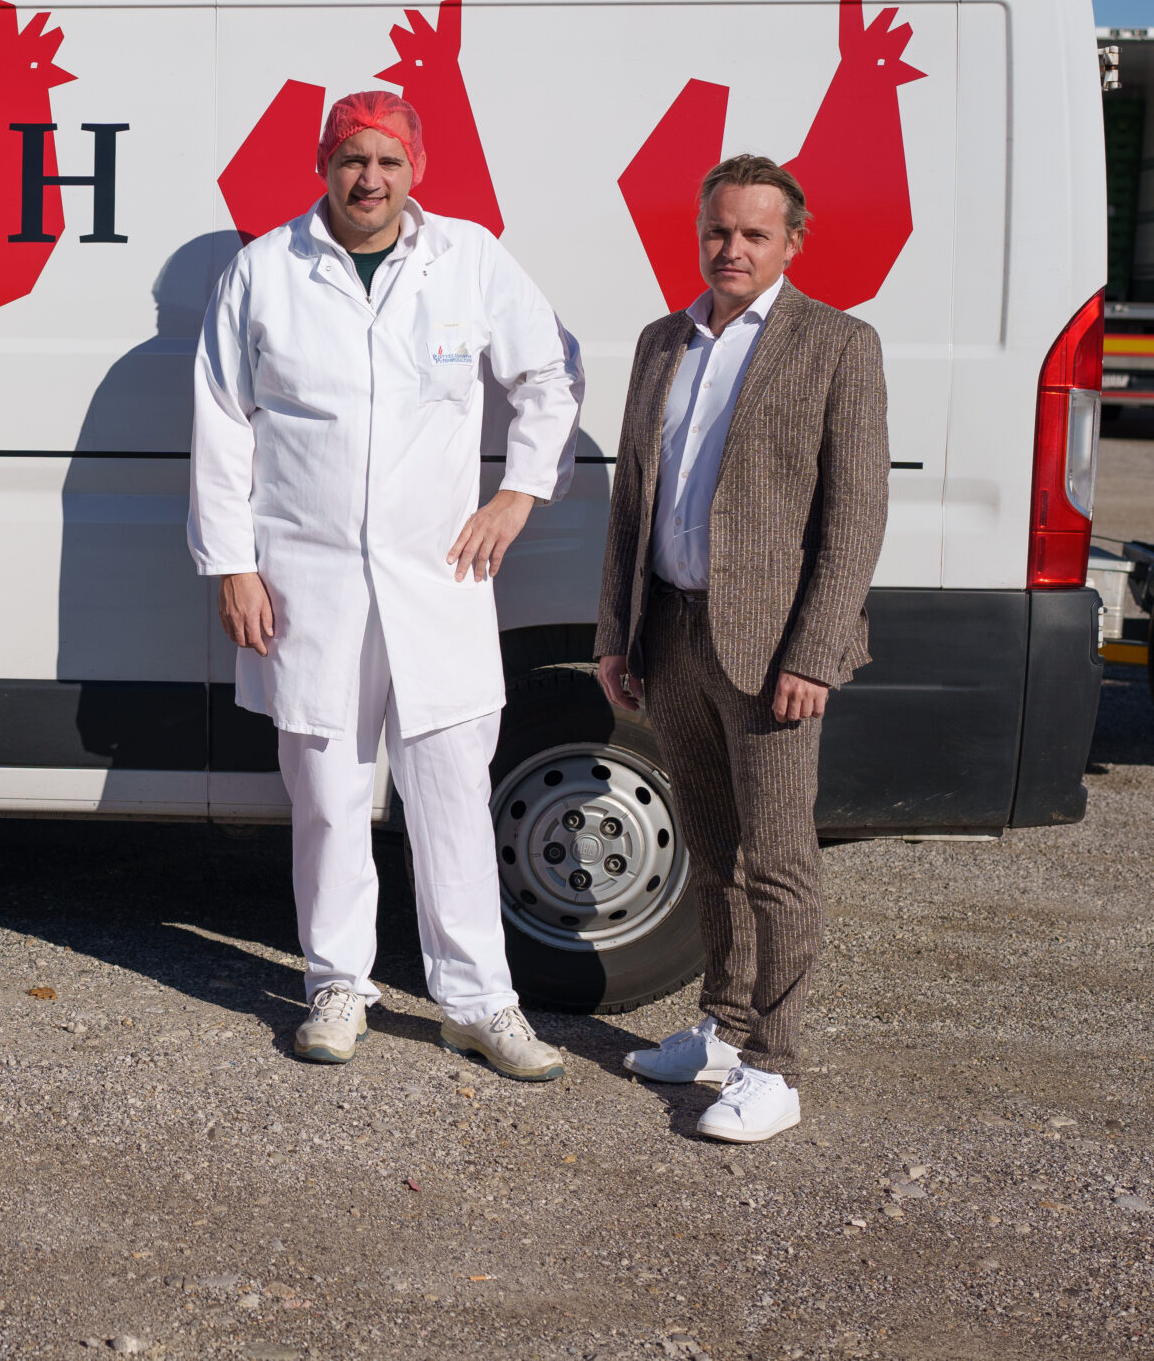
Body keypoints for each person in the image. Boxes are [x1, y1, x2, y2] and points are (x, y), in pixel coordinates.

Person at [190, 90, 582, 1080]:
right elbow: (222, 422)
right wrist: (232, 565)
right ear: (323, 166)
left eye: (388, 162)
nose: (369, 179)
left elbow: (547, 378)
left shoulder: (469, 259)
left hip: (438, 579)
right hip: (306, 581)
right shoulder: (265, 271)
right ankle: (337, 985)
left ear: (416, 170)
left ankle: (479, 1003)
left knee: (451, 795)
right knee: (328, 797)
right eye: (351, 159)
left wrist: (517, 495)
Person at [596, 154, 888, 1143]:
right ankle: (722, 1028)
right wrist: (615, 632)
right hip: (670, 633)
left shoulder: (837, 344)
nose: (732, 248)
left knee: (777, 861)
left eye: (754, 234)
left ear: (790, 243)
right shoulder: (662, 342)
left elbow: (854, 517)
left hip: (769, 652)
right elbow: (631, 502)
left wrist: (814, 653)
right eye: (718, 230)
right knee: (713, 849)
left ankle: (775, 1064)